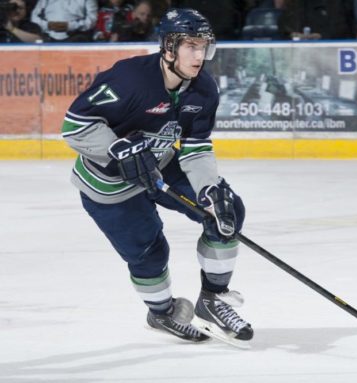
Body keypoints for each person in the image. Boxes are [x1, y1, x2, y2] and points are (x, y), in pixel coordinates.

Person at [61, 8, 253, 346]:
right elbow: (75, 125)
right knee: (150, 252)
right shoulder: (129, 78)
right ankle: (162, 312)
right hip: (109, 184)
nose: (199, 55)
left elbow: (195, 146)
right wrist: (116, 149)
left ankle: (212, 300)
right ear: (168, 47)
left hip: (161, 165)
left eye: (204, 46)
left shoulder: (203, 89)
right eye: (191, 46)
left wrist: (208, 189)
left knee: (226, 210)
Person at [31, 0, 97, 42]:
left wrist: (70, 26)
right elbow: (34, 18)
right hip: (48, 35)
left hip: (76, 35)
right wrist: (48, 25)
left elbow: (92, 20)